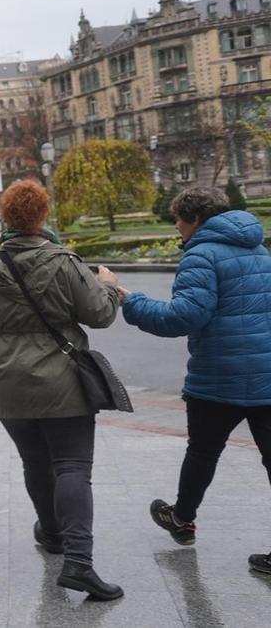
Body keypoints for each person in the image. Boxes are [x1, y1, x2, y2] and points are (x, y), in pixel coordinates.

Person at [0, 180, 124, 600]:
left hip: (8, 385)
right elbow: (100, 314)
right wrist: (106, 284)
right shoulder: (64, 262)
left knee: (35, 463)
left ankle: (51, 533)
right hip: (62, 378)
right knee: (72, 466)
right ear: (43, 215)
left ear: (6, 216)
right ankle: (79, 562)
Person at [117, 186, 271, 575]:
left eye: (178, 219)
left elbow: (182, 317)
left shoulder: (201, 255)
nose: (176, 226)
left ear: (196, 219)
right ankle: (181, 516)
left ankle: (183, 519)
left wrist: (128, 299)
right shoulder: (259, 249)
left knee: (203, 451)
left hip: (218, 377)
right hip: (267, 375)